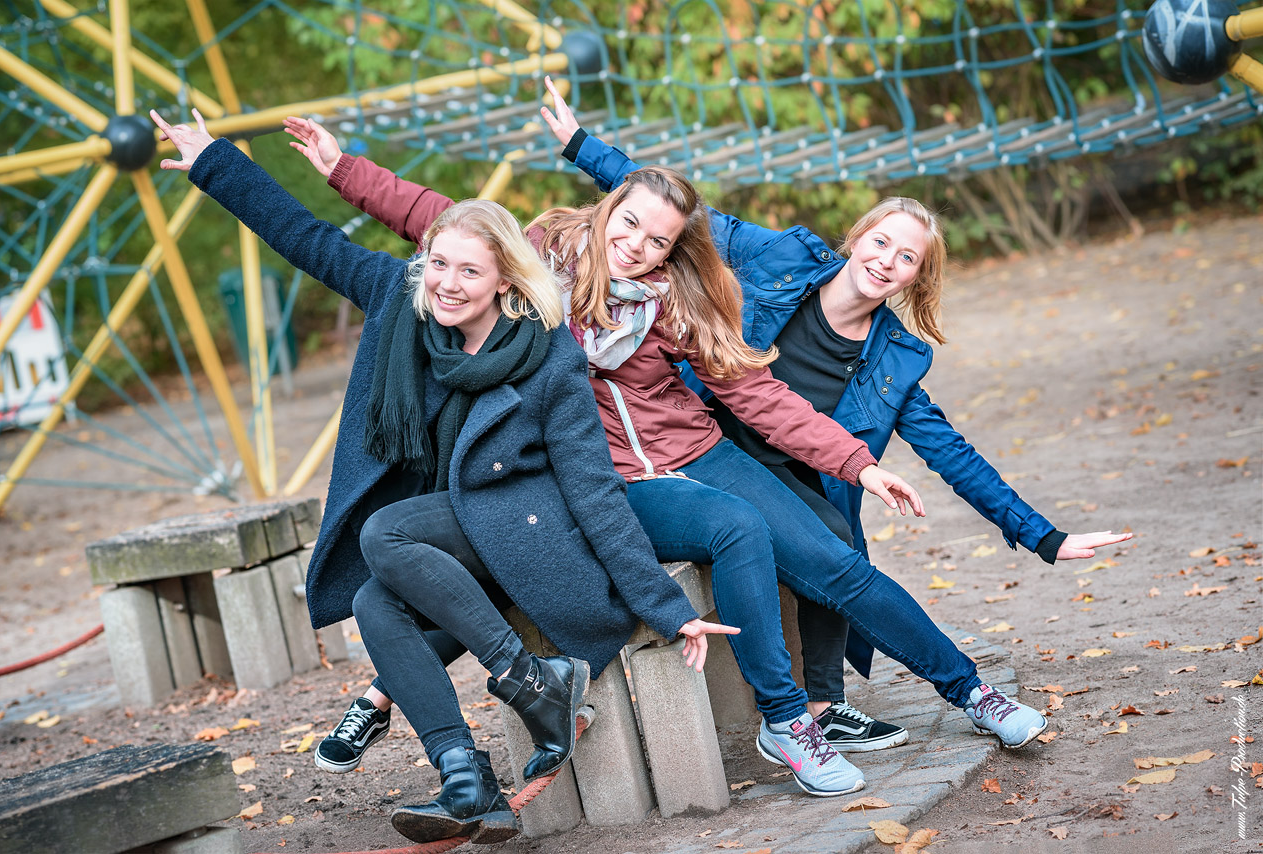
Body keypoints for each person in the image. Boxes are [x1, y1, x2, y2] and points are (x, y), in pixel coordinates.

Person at [286, 97, 1051, 800]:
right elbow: (435, 216)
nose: (637, 246)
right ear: (608, 210)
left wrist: (859, 463)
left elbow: (755, 391)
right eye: (629, 226)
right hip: (612, 479)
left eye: (657, 241)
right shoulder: (541, 268)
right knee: (732, 528)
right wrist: (342, 169)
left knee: (836, 564)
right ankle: (788, 719)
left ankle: (971, 692)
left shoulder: (674, 298)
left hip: (700, 449)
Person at [150, 108, 735, 845]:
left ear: (502, 280)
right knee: (373, 601)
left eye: (469, 270)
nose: (447, 283)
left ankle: (531, 683)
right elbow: (301, 235)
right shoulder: (403, 302)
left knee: (383, 532)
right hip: (450, 537)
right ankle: (466, 776)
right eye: (437, 264)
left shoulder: (548, 356)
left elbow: (591, 488)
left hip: (527, 531)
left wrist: (662, 603)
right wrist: (213, 162)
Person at [541, 80, 1133, 752]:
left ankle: (963, 695)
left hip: (804, 469)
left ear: (916, 279)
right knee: (808, 544)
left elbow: (955, 457)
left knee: (838, 552)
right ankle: (809, 709)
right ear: (856, 238)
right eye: (881, 242)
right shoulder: (783, 258)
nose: (887, 260)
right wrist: (582, 147)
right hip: (705, 444)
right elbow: (671, 218)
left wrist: (1043, 536)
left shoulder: (893, 360)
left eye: (907, 258)